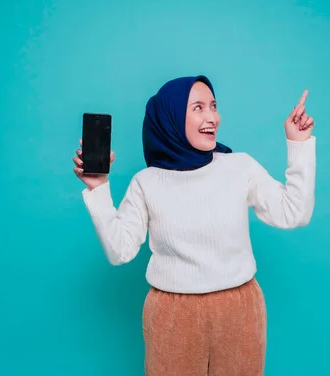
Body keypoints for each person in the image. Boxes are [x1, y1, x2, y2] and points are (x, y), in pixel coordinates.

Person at [72, 75, 316, 376]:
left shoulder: (239, 166)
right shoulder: (147, 183)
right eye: (198, 108)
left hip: (239, 310)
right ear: (171, 117)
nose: (211, 116)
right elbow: (118, 251)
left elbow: (294, 212)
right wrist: (98, 188)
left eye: (213, 106)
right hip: (172, 314)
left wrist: (299, 144)